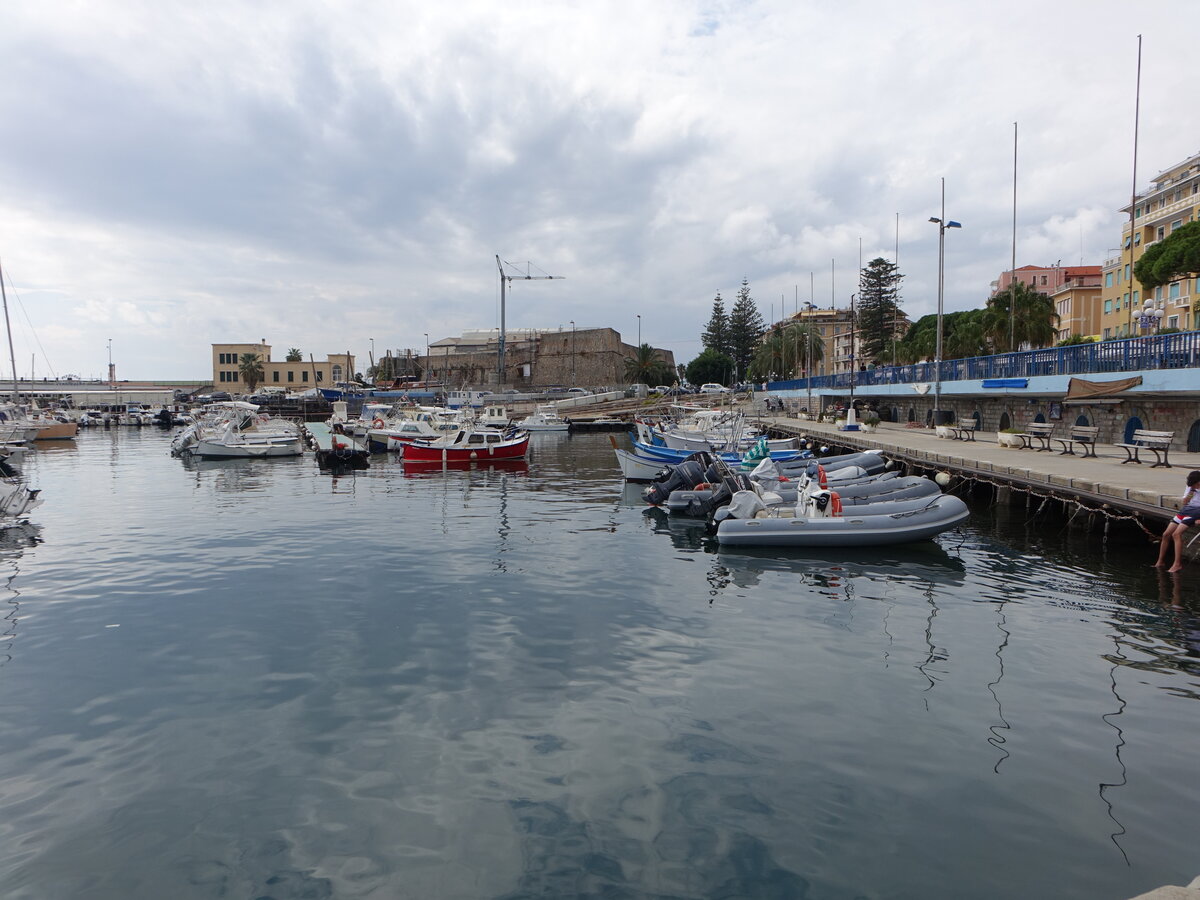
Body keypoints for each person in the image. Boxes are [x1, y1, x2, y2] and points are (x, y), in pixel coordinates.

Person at [1155, 470, 1200, 572]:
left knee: (1176, 534)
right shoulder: (1191, 487)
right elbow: (1184, 502)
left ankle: (1177, 564)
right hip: (1186, 509)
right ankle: (1160, 561)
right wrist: (1191, 492)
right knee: (1166, 534)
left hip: (1197, 511)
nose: (1192, 487)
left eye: (1194, 486)